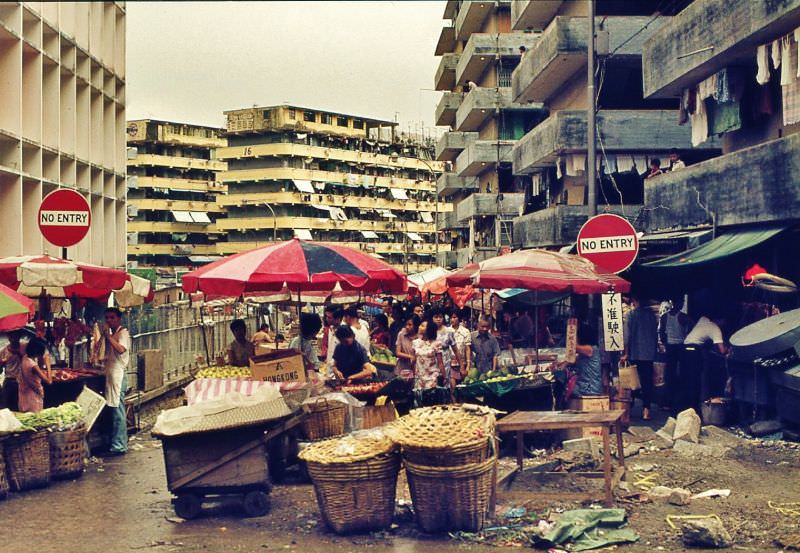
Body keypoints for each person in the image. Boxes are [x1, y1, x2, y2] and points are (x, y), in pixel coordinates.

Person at [681, 312, 728, 413]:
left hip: (684, 349)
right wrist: (728, 348)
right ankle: (692, 409)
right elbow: (722, 350)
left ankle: (684, 407)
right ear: (721, 320)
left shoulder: (703, 319)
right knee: (695, 381)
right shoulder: (715, 328)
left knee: (686, 379)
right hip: (693, 351)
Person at [622, 297, 658, 420]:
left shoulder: (631, 315)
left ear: (634, 301)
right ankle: (646, 411)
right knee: (647, 382)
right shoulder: (652, 316)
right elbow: (655, 334)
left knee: (632, 382)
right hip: (648, 354)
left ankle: (628, 410)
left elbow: (627, 336)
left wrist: (626, 353)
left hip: (635, 353)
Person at [102, 308, 131, 455]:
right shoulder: (114, 334)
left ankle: (119, 445)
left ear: (118, 318)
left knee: (118, 411)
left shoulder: (122, 333)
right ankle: (116, 442)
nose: (109, 320)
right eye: (107, 318)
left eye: (112, 317)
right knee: (114, 410)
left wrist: (109, 338)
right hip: (111, 374)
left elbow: (121, 349)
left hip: (118, 375)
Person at [659, 298, 693, 411]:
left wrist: (665, 343)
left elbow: (662, 333)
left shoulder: (665, 317)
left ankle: (667, 402)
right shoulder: (683, 316)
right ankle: (679, 402)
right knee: (681, 374)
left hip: (670, 347)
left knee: (669, 374)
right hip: (681, 347)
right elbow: (691, 328)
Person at [17, 338, 51, 413]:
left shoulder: (25, 357)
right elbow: (49, 381)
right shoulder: (33, 365)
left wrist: (41, 361)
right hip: (33, 399)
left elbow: (38, 369)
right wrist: (48, 364)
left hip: (24, 397)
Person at [412, 320, 445, 392]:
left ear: (429, 329)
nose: (419, 327)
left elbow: (440, 362)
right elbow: (413, 360)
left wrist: (444, 377)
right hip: (419, 377)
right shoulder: (415, 342)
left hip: (432, 377)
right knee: (419, 400)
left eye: (423, 326)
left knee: (431, 400)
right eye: (420, 325)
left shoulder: (436, 343)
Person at [571, 324, 603, 397]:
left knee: (566, 390)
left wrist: (572, 333)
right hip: (584, 386)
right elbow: (571, 360)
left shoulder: (590, 349)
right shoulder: (583, 352)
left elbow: (573, 347)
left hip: (590, 388)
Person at [0, 330, 23, 410]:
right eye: (11, 336)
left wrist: (20, 354)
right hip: (9, 381)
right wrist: (2, 363)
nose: (13, 339)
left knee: (21, 408)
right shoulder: (3, 351)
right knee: (7, 408)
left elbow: (31, 363)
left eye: (15, 336)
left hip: (23, 382)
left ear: (19, 336)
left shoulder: (24, 348)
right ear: (8, 337)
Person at [395, 314, 420, 380]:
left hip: (416, 369)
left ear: (416, 326)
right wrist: (410, 357)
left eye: (410, 325)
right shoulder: (401, 334)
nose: (407, 327)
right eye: (406, 324)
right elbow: (398, 353)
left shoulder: (420, 336)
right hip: (402, 368)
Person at [449, 311, 472, 380]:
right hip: (450, 364)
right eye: (451, 318)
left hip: (463, 363)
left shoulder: (465, 331)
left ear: (459, 319)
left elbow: (467, 348)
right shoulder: (447, 331)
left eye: (454, 317)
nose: (452, 319)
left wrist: (468, 365)